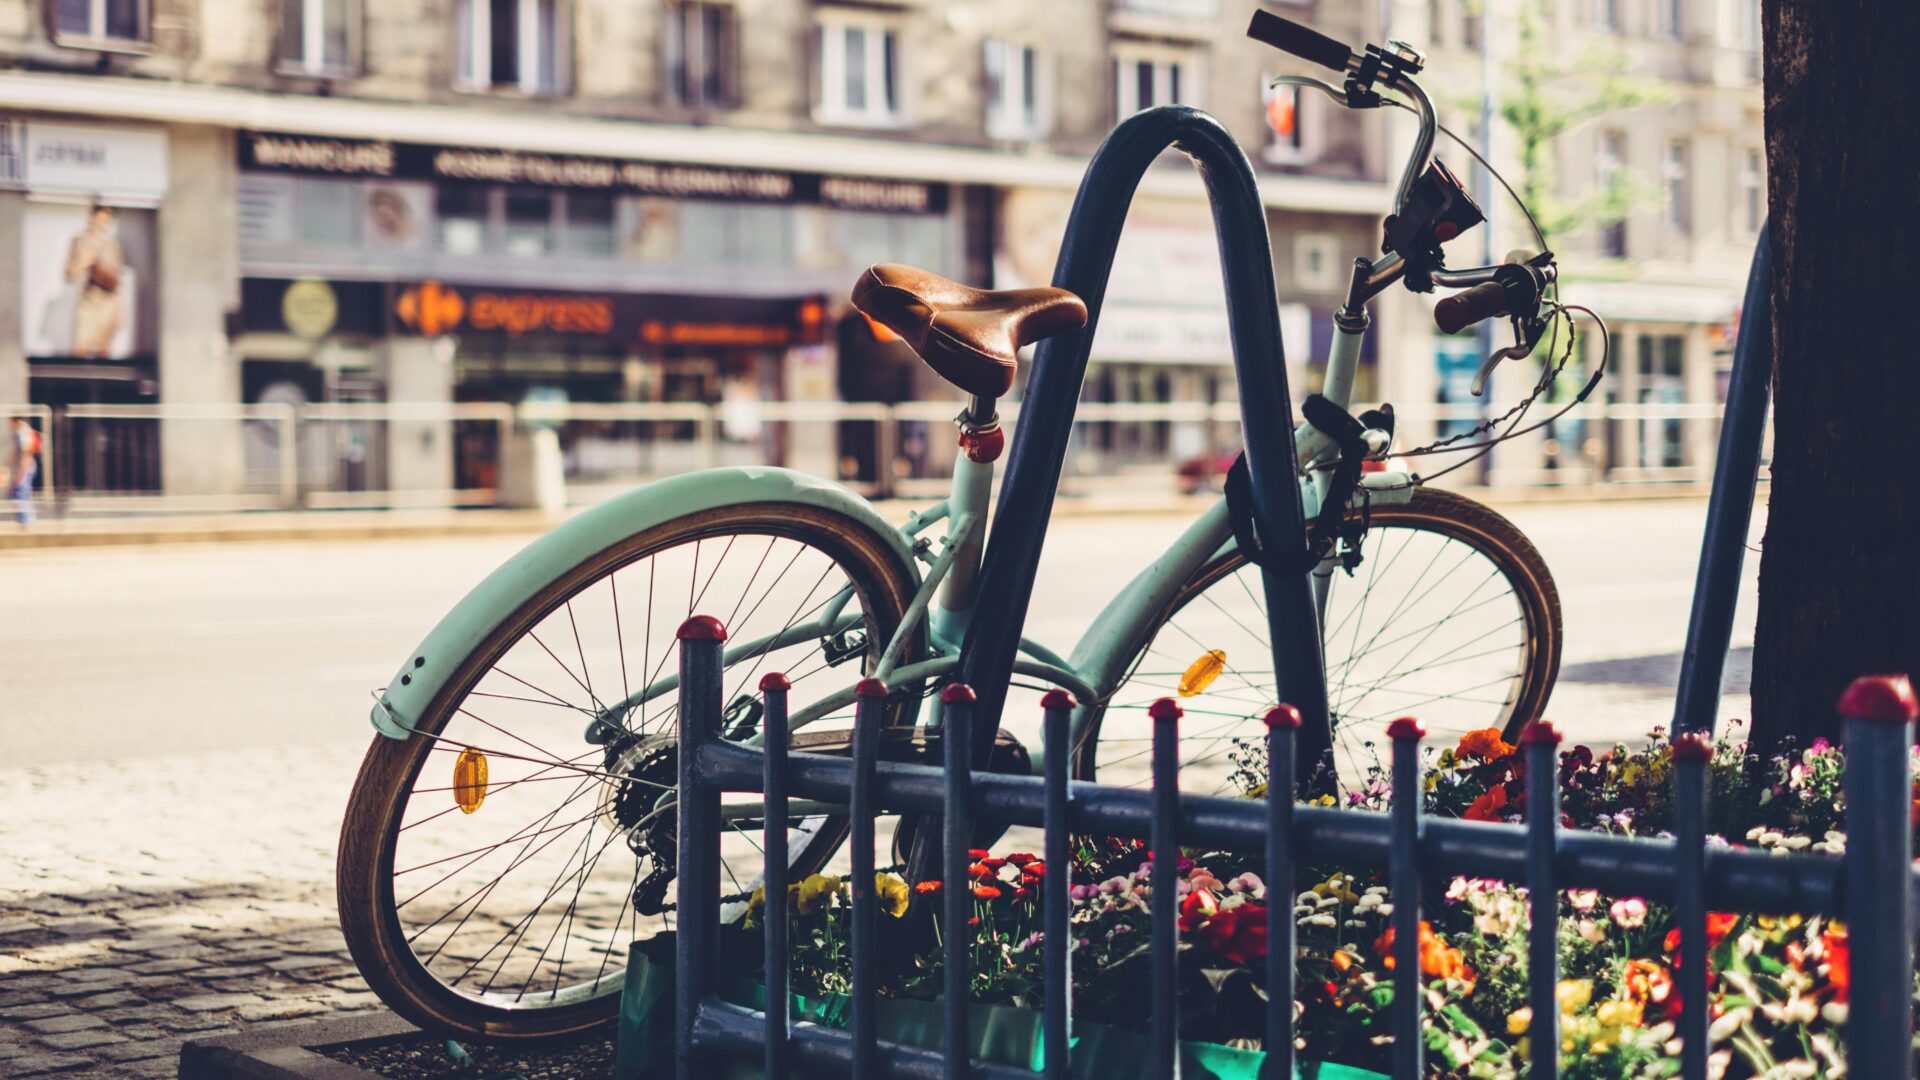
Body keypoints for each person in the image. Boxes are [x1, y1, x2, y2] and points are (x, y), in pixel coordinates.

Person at [65, 204, 126, 359]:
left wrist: (120, 312)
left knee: (103, 350)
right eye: (100, 219)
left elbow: (118, 279)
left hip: (107, 302)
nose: (103, 223)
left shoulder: (113, 243)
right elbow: (68, 273)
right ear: (92, 218)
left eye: (107, 220)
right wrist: (84, 262)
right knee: (81, 348)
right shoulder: (78, 241)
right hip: (86, 301)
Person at [8, 417, 40, 526]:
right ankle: (27, 520)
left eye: (10, 423)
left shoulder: (22, 433)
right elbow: (15, 453)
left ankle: (26, 521)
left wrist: (21, 472)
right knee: (22, 493)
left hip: (26, 467)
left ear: (15, 421)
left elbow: (26, 453)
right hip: (26, 467)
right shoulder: (23, 432)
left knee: (19, 493)